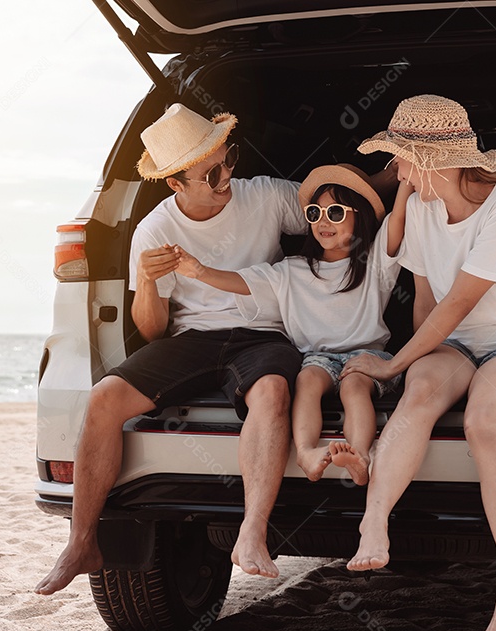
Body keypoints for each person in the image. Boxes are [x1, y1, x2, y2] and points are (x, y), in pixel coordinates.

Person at [35, 103, 313, 593]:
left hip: (263, 333)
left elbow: (335, 208)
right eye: (208, 173)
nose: (224, 176)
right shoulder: (155, 230)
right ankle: (81, 543)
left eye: (227, 160)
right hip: (192, 340)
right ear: (175, 184)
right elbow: (150, 329)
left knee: (270, 392)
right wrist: (144, 281)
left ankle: (251, 532)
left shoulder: (265, 195)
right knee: (103, 399)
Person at [339, 94, 496, 631]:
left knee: (485, 424)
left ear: (436, 160)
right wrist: (410, 367)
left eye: (403, 160)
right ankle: (374, 521)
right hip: (458, 340)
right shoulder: (419, 206)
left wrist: (390, 362)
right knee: (418, 395)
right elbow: (426, 299)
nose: (398, 172)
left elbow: (457, 304)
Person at [174, 164, 408, 487]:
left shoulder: (374, 263)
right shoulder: (291, 270)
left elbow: (398, 219)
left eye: (336, 212)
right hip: (317, 359)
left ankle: (360, 456)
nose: (323, 221)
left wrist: (407, 178)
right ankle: (307, 453)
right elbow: (244, 282)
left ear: (361, 217)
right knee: (307, 380)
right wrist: (200, 271)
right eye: (315, 212)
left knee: (355, 387)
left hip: (367, 357)